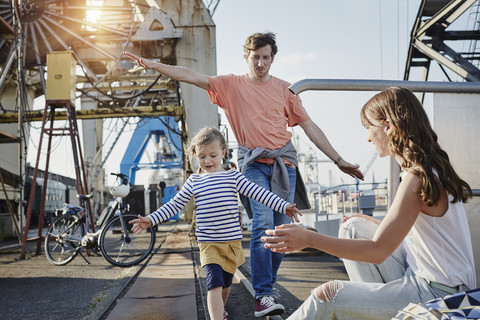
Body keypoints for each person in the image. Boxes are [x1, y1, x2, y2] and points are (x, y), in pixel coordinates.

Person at [124, 31, 364, 317]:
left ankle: (268, 288)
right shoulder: (230, 86)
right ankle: (263, 295)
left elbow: (310, 128)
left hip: (283, 165)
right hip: (252, 163)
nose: (260, 64)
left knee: (280, 233)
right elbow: (189, 75)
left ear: (273, 58)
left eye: (266, 58)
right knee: (262, 223)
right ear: (246, 57)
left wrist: (338, 160)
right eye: (255, 58)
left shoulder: (285, 90)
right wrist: (153, 65)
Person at [261, 87, 476, 319]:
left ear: (388, 126)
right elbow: (417, 233)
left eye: (369, 128)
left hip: (436, 294)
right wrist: (370, 221)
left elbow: (378, 252)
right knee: (352, 226)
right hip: (432, 280)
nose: (367, 137)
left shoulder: (416, 179)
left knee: (327, 294)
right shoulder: (429, 170)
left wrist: (309, 239)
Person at [129, 127, 302, 320]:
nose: (207, 161)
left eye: (212, 155)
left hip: (231, 244)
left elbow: (259, 194)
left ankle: (221, 311)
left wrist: (283, 206)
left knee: (226, 285)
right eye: (202, 156)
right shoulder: (194, 181)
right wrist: (150, 220)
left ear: (223, 153)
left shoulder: (233, 177)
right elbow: (174, 204)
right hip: (209, 244)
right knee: (214, 285)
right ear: (195, 156)